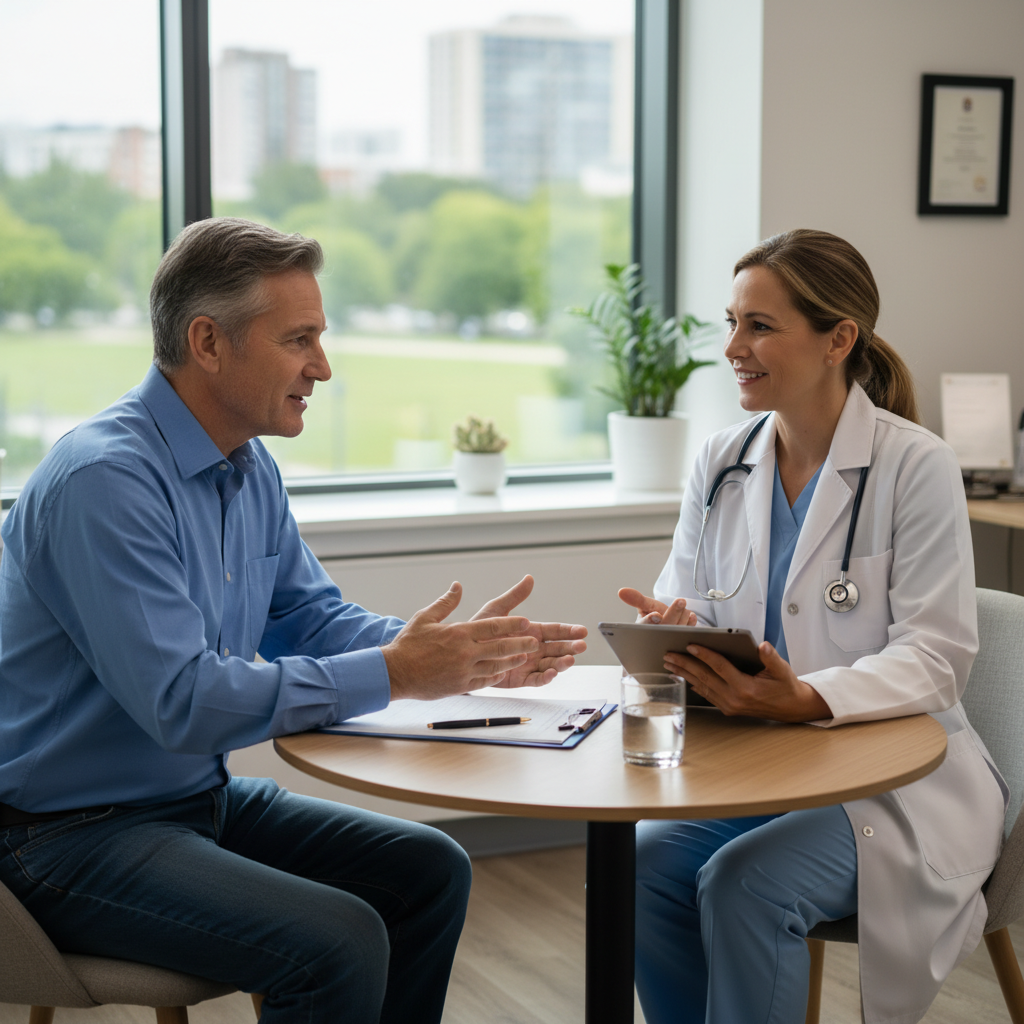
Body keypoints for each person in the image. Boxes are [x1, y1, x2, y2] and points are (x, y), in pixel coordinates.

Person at [0, 217, 588, 1024]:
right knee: (337, 939)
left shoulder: (247, 466)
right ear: (209, 342)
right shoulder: (105, 482)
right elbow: (184, 703)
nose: (323, 366)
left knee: (429, 870)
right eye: (299, 339)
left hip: (186, 805)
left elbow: (311, 618)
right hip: (59, 837)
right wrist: (398, 673)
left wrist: (454, 656)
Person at [619, 229, 1006, 1024]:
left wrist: (812, 699)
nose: (733, 347)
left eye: (759, 326)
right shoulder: (723, 460)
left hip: (894, 779)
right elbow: (686, 593)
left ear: (839, 340)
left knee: (744, 882)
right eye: (731, 322)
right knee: (644, 864)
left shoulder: (914, 464)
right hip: (764, 763)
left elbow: (938, 659)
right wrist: (675, 626)